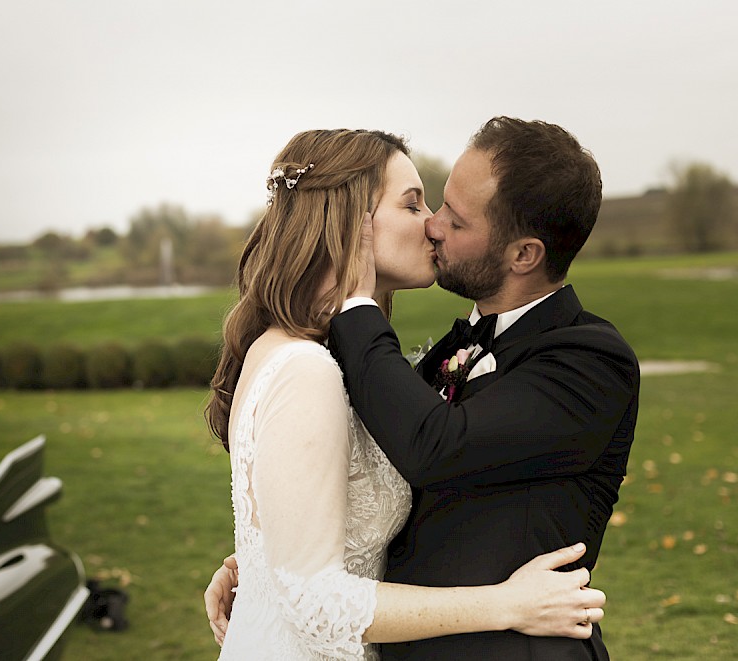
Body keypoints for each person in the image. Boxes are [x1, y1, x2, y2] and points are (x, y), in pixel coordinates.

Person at [203, 127, 607, 660]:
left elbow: (411, 457)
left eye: (440, 211)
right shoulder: (307, 366)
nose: (433, 224)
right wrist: (506, 604)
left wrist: (267, 564)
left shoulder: (313, 353)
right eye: (414, 204)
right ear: (351, 222)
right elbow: (311, 594)